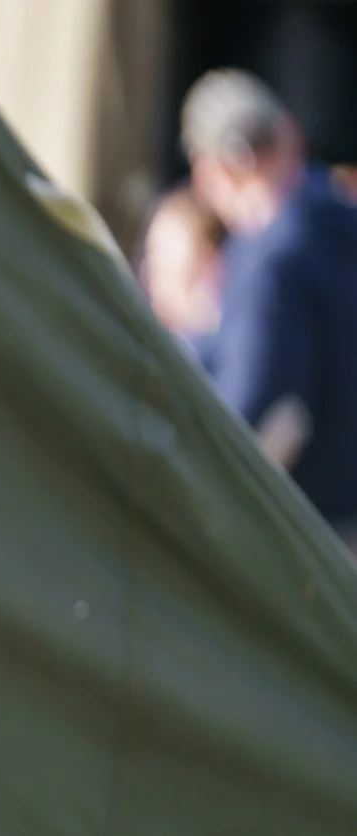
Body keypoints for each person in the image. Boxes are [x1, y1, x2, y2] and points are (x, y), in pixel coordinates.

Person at [181, 68, 357, 537]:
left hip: (315, 541)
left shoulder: (272, 259)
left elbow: (255, 411)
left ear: (208, 173)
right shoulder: (340, 221)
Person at [138, 185, 225, 368]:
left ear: (208, 259)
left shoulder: (225, 346)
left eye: (164, 254)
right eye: (151, 253)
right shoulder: (155, 343)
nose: (149, 270)